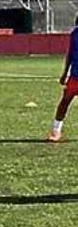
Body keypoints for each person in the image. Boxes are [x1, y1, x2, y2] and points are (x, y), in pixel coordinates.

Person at [48, 14, 78, 142]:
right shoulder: (75, 33)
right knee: (64, 102)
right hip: (75, 76)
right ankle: (56, 131)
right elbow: (70, 54)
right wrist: (65, 73)